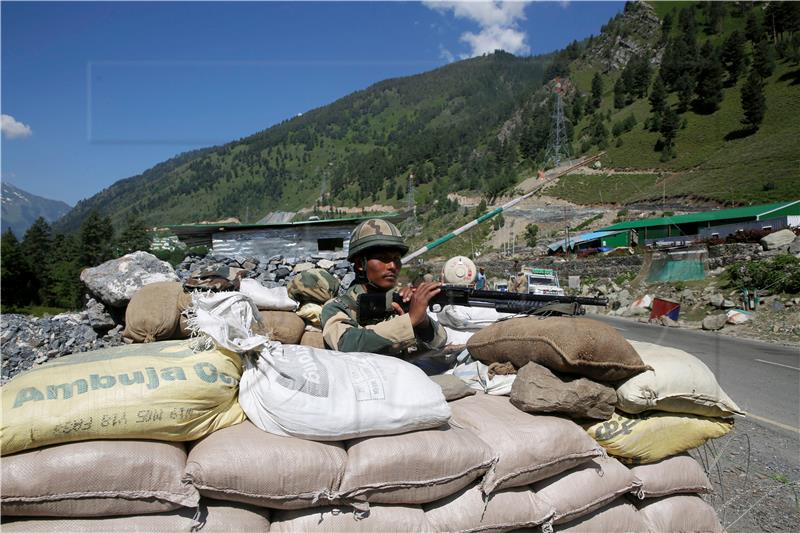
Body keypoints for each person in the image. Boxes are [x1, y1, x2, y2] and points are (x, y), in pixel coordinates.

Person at [320, 219, 447, 357]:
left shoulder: (399, 301)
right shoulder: (338, 307)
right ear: (360, 264)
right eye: (383, 258)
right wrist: (409, 321)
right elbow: (345, 343)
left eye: (396, 259)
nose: (392, 266)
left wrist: (422, 321)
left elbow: (440, 341)